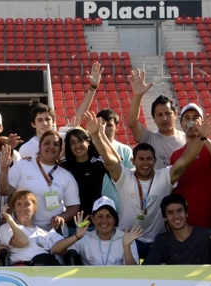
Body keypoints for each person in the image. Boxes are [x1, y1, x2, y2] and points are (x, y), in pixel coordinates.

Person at [85, 110, 203, 260]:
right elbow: (109, 161)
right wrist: (96, 136)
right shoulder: (125, 176)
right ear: (133, 161)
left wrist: (202, 138)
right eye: (141, 159)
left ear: (155, 161)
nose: (145, 163)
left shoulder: (164, 176)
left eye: (149, 159)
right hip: (127, 238)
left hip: (157, 241)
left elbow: (184, 162)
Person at [0, 131, 80, 230]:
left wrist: (62, 217)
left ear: (60, 149)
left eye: (56, 144)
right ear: (39, 147)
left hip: (54, 234)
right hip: (23, 230)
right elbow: (3, 191)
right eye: (46, 143)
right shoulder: (22, 165)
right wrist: (4, 168)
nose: (51, 147)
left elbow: (74, 206)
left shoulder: (66, 176)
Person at [169, 104, 211, 230]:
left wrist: (204, 137)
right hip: (185, 224)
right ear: (181, 124)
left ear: (202, 122)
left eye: (195, 117)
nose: (191, 121)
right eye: (187, 118)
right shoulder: (176, 154)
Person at [143, 194, 211, 265]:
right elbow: (147, 267)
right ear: (165, 217)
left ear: (187, 213)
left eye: (179, 211)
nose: (176, 216)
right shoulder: (162, 240)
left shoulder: (207, 236)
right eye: (170, 212)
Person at [49, 197, 142, 266]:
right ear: (92, 219)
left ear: (115, 220)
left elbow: (133, 271)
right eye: (99, 216)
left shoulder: (127, 238)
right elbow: (55, 250)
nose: (104, 221)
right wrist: (76, 236)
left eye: (109, 216)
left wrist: (126, 246)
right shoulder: (84, 237)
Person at [126, 69, 186, 167]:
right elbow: (132, 124)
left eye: (168, 113)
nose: (164, 118)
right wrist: (138, 96)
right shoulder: (149, 138)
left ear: (175, 114)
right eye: (159, 115)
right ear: (153, 118)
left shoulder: (187, 138)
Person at [59, 125, 118, 220]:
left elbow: (116, 161)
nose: (77, 145)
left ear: (88, 141)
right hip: (71, 222)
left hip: (95, 222)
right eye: (72, 143)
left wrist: (99, 135)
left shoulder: (98, 162)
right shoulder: (64, 165)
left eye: (80, 140)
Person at [0, 191, 60, 265]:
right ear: (14, 208)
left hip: (46, 266)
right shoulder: (6, 227)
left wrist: (77, 236)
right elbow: (22, 242)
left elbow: (60, 248)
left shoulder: (44, 232)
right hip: (23, 269)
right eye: (18, 204)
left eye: (27, 204)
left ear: (34, 208)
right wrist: (9, 219)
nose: (23, 208)